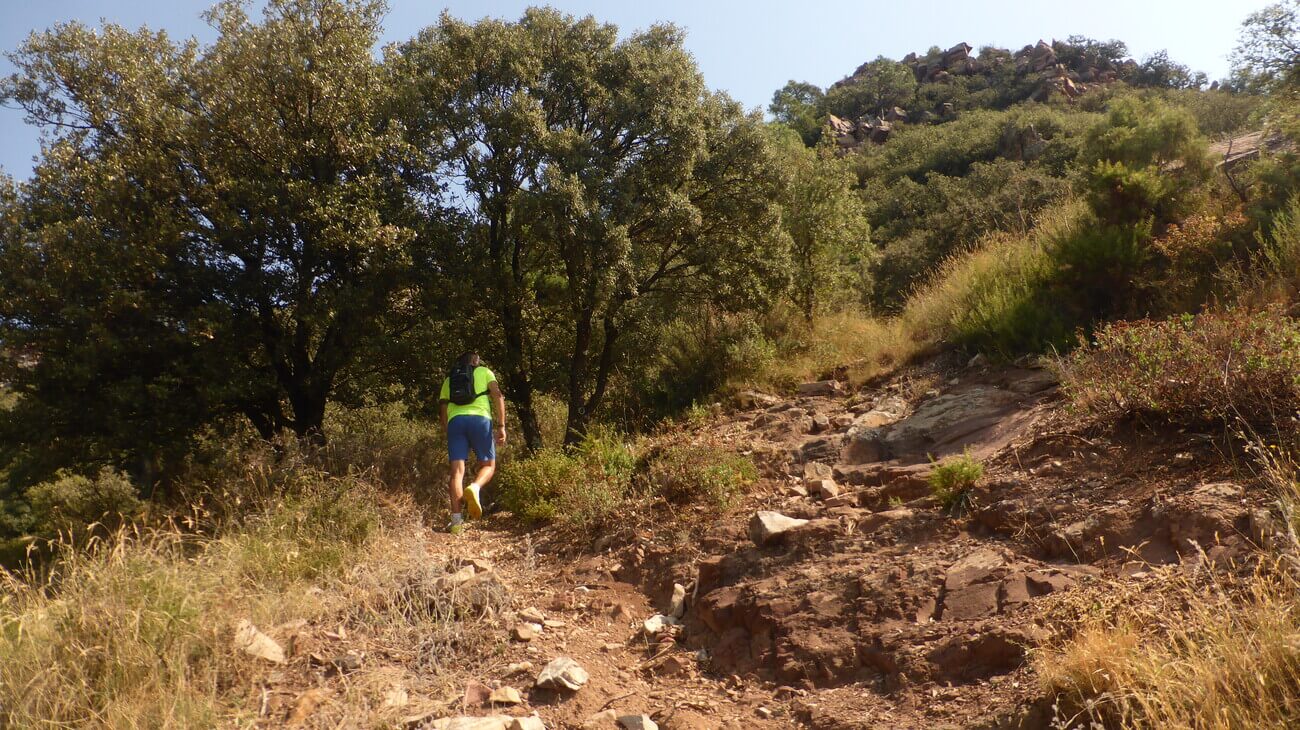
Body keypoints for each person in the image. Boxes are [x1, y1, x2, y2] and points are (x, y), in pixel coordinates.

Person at [439, 352, 506, 533]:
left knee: (456, 472)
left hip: (455, 422)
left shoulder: (449, 379)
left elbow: (443, 407)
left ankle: (456, 523)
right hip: (480, 420)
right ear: (476, 362)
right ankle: (475, 487)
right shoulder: (485, 372)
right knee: (488, 465)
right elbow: (497, 396)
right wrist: (501, 425)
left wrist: (449, 429)